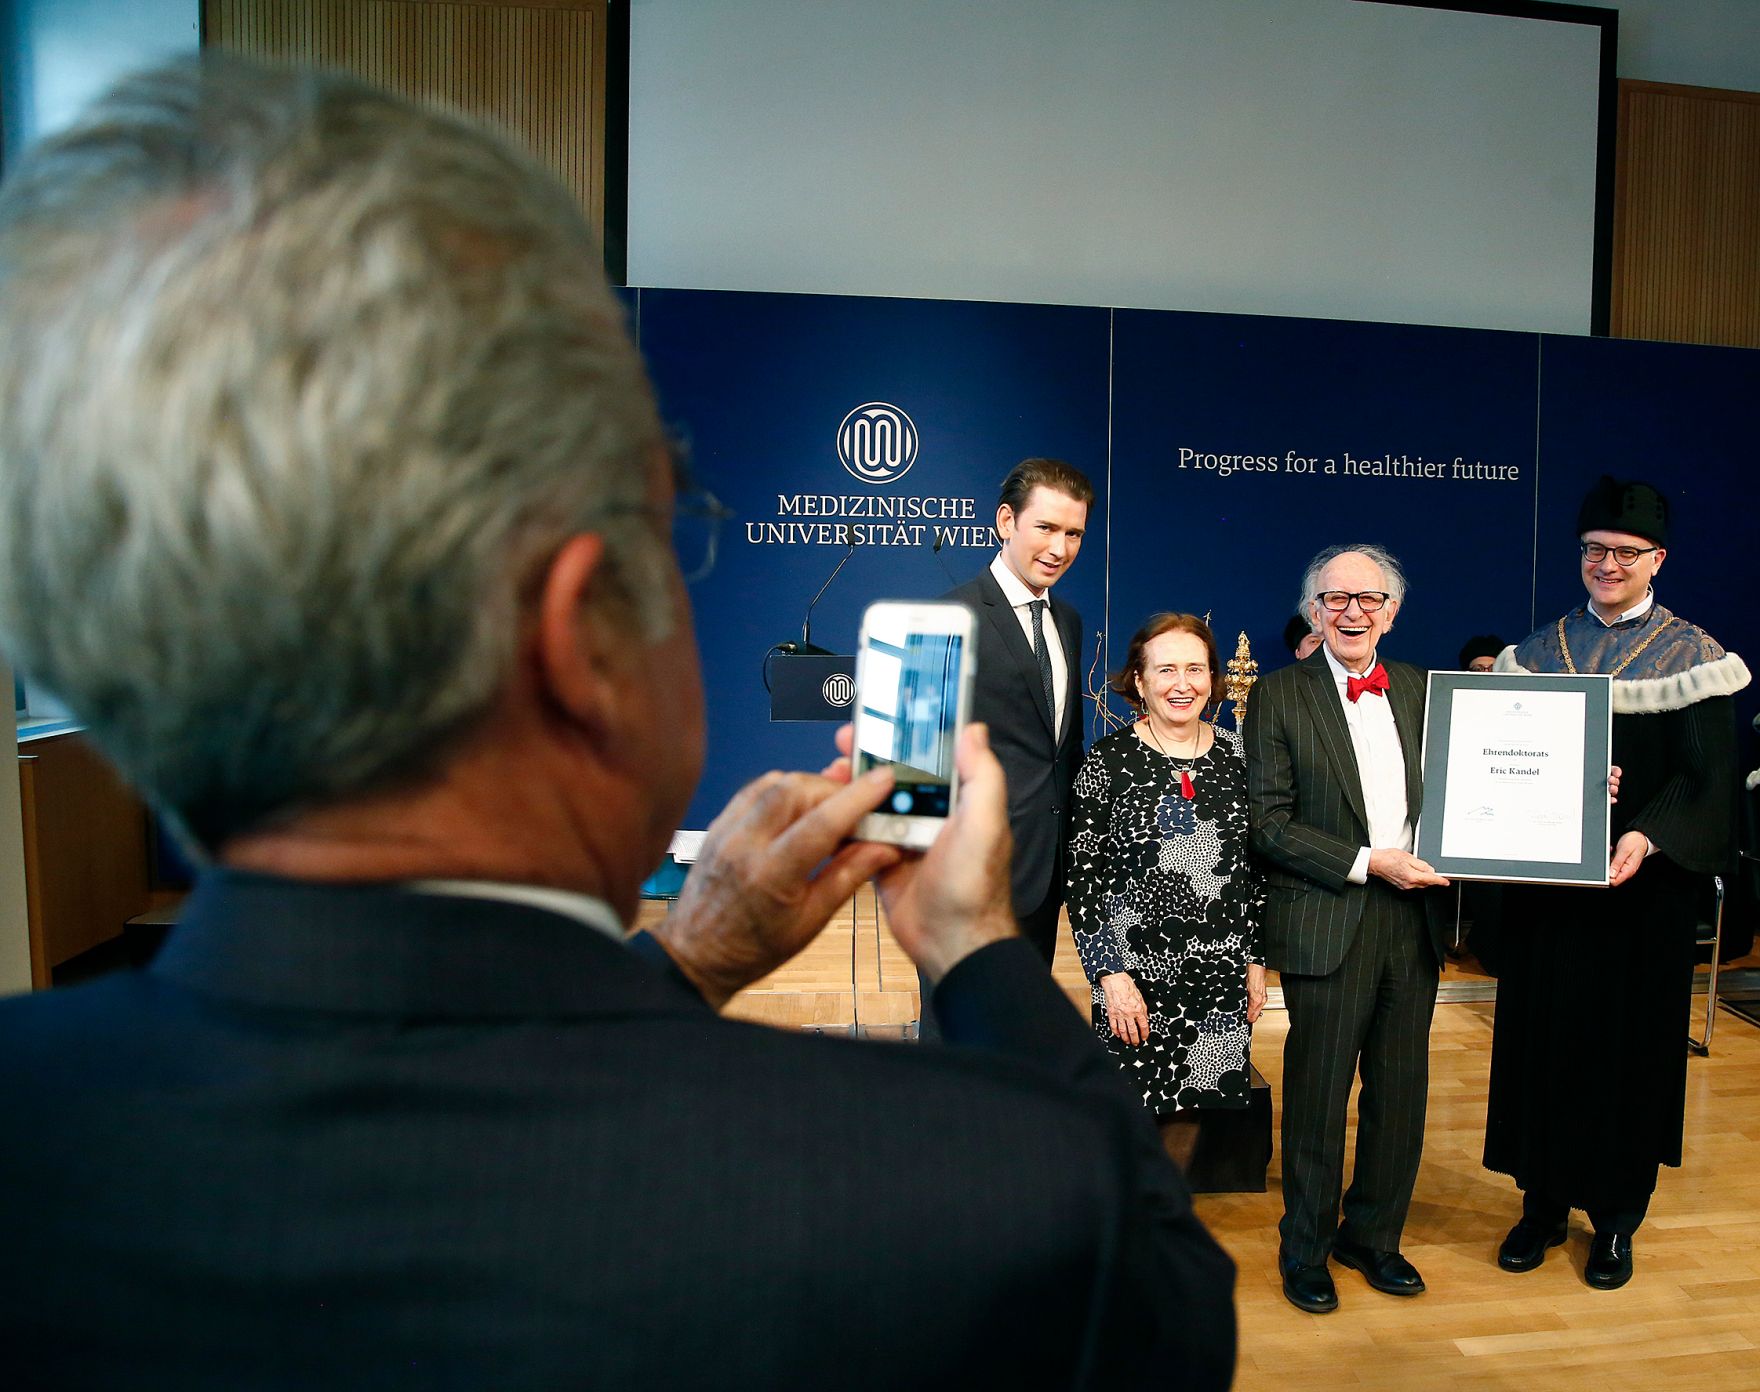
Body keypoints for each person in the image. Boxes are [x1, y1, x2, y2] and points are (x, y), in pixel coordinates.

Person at [0, 58, 1238, 1388]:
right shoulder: (952, 1196)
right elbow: (1170, 1299)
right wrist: (984, 953)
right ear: (578, 637)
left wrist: (684, 966)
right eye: (674, 535)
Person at [1484, 477, 1749, 1291]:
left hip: (1643, 899)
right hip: (1550, 896)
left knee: (1626, 1056)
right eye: (1595, 550)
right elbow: (1504, 763)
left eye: (1625, 554)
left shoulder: (1693, 658)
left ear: (1657, 559)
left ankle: (1617, 1219)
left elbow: (1709, 779)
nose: (1607, 564)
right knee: (1543, 1044)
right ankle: (1540, 1207)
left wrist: (1643, 833)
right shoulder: (1538, 653)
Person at [1245, 544, 1449, 1314]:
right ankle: (1305, 1247)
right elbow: (1267, 824)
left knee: (1401, 1094)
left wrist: (1576, 787)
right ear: (1313, 612)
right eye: (1335, 599)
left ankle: (1373, 1238)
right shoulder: (1279, 695)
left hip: (1415, 921)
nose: (1353, 611)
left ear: (1392, 611)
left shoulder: (1429, 690)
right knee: (1320, 1094)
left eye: (1369, 599)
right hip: (1332, 915)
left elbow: (1484, 783)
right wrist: (1370, 861)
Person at [1066, 613, 1268, 1168]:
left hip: (1220, 970)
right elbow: (1084, 881)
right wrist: (1109, 975)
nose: (1183, 684)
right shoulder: (1106, 763)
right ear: (1138, 679)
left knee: (1193, 1104)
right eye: (1166, 670)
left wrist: (1256, 959)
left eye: (1195, 669)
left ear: (1213, 678)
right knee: (1127, 1105)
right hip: (1135, 972)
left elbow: (1254, 869)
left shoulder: (1240, 757)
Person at [920, 458, 1091, 1034]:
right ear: (1005, 521)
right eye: (1046, 527)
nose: (1060, 547)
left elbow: (1059, 749)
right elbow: (913, 767)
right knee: (959, 1048)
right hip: (967, 882)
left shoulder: (1067, 619)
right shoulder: (945, 617)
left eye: (1074, 534)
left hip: (1043, 878)